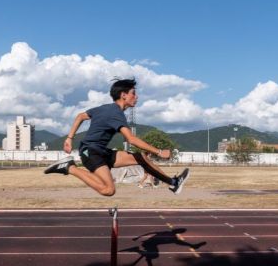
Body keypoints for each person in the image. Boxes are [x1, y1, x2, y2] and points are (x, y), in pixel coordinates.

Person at [44, 78, 189, 196]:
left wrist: (69, 138)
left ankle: (173, 183)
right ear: (123, 95)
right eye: (133, 93)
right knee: (108, 190)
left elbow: (80, 116)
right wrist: (159, 152)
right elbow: (131, 139)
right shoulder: (116, 114)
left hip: (102, 151)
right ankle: (69, 168)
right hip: (90, 152)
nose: (136, 97)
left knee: (141, 158)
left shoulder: (104, 108)